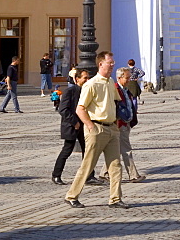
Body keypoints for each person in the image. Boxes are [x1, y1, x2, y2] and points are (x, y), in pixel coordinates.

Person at [64, 51, 128, 208]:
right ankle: (72, 195)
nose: (112, 65)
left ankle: (115, 199)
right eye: (110, 62)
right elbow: (80, 109)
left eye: (113, 62)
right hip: (97, 128)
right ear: (101, 64)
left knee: (115, 166)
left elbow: (116, 103)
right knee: (88, 165)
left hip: (112, 128)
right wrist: (91, 126)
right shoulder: (91, 84)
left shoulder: (110, 82)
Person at [52, 68, 98, 186]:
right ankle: (56, 175)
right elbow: (63, 110)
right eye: (85, 78)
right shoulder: (70, 91)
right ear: (77, 79)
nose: (87, 80)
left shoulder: (88, 90)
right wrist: (74, 122)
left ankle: (89, 175)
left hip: (84, 125)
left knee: (88, 151)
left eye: (88, 78)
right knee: (67, 150)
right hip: (72, 126)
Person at [110, 67, 145, 182]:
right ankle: (133, 175)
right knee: (126, 150)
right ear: (119, 78)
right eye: (127, 77)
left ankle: (104, 173)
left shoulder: (125, 89)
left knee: (115, 150)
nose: (129, 79)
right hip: (120, 124)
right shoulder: (115, 89)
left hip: (126, 122)